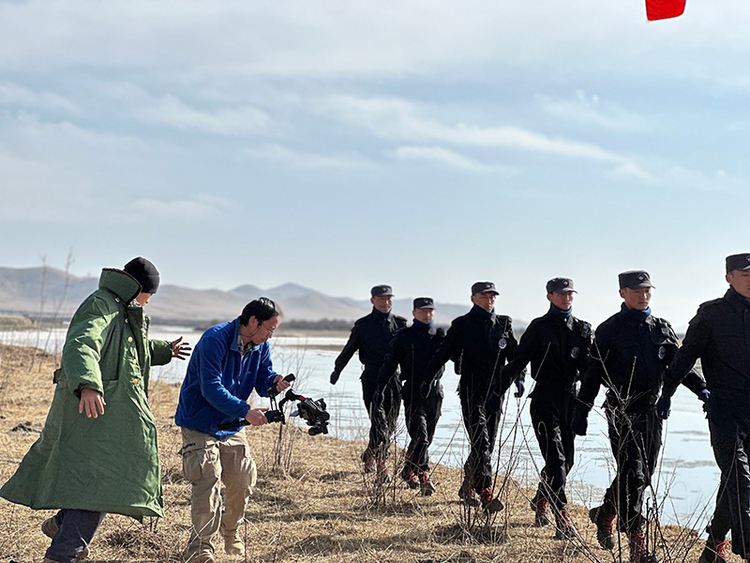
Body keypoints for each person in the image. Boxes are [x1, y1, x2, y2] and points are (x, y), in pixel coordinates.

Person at [0, 257, 191, 563]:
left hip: (109, 412)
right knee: (103, 482)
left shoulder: (122, 308)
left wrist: (165, 349)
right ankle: (62, 555)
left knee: (101, 479)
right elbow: (83, 342)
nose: (150, 300)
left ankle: (63, 524)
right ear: (140, 288)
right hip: (92, 409)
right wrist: (88, 383)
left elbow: (129, 347)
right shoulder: (101, 304)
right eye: (150, 294)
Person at [571, 270, 706, 563]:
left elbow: (677, 365)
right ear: (622, 293)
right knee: (634, 473)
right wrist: (580, 413)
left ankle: (606, 511)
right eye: (637, 291)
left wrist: (702, 390)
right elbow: (593, 376)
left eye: (647, 290)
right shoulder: (609, 330)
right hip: (622, 411)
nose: (643, 295)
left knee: (644, 475)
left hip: (652, 412)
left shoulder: (660, 328)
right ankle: (637, 545)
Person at [174, 297, 291, 563]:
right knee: (208, 478)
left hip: (233, 424)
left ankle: (231, 532)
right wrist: (245, 411)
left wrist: (274, 381)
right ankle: (200, 548)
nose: (271, 334)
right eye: (269, 329)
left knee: (242, 480)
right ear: (252, 321)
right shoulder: (214, 339)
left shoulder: (261, 345)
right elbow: (211, 387)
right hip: (200, 422)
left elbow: (263, 379)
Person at [657, 253, 750, 563]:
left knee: (732, 482)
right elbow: (684, 359)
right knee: (740, 477)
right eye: (745, 273)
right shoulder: (711, 316)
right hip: (725, 411)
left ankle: (713, 545)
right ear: (729, 277)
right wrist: (666, 394)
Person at [501, 277, 592, 538]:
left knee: (568, 462)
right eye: (561, 294)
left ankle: (541, 497)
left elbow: (590, 369)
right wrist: (497, 390)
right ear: (550, 296)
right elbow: (518, 361)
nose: (567, 298)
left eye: (570, 294)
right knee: (556, 460)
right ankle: (562, 518)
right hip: (544, 400)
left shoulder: (583, 330)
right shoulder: (538, 328)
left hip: (570, 401)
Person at [423, 281, 521, 512]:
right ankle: (485, 491)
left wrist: (519, 377)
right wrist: (427, 379)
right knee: (481, 441)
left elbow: (515, 355)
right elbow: (444, 353)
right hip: (471, 391)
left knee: (487, 444)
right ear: (473, 298)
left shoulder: (504, 324)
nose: (489, 301)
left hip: (496, 393)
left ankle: (468, 484)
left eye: (492, 297)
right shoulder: (462, 325)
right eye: (484, 297)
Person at [330, 285, 407, 480]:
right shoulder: (363, 325)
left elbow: (409, 354)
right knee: (378, 422)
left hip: (394, 382)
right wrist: (337, 370)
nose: (386, 302)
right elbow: (349, 349)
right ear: (373, 300)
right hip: (372, 379)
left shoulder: (401, 324)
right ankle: (382, 466)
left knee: (390, 424)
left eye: (389, 298)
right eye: (381, 299)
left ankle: (369, 454)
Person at [376, 297, 445, 496]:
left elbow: (454, 358)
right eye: (423, 311)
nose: (427, 314)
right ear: (414, 313)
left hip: (435, 393)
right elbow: (390, 364)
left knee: (427, 437)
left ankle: (408, 469)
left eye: (430, 311)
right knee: (420, 435)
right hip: (413, 392)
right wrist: (379, 388)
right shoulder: (404, 336)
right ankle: (423, 473)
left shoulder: (440, 336)